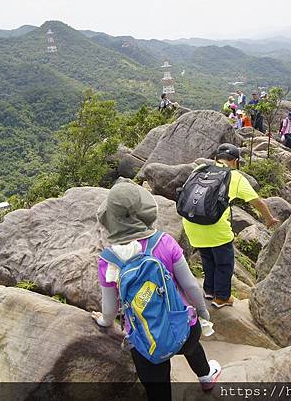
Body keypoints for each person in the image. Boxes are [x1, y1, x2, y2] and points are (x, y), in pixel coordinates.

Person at [92, 179, 221, 401]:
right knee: (192, 347)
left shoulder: (108, 260)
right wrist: (202, 311)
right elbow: (190, 285)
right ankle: (206, 376)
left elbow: (111, 308)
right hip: (182, 326)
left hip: (144, 340)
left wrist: (104, 322)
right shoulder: (164, 242)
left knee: (157, 388)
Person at [182, 144, 280, 308]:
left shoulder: (201, 168)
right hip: (215, 229)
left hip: (191, 223)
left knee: (207, 258)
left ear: (216, 158)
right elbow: (256, 201)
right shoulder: (235, 177)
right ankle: (221, 297)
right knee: (224, 263)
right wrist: (269, 219)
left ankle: (209, 290)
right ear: (235, 161)